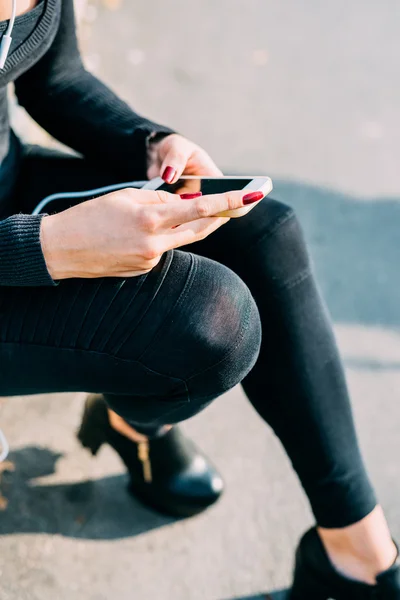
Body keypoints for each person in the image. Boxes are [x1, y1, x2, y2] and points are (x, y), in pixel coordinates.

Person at [0, 0, 399, 598]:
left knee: (264, 235)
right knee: (210, 324)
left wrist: (153, 144)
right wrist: (47, 247)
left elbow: (56, 79)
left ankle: (359, 561)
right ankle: (136, 420)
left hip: (12, 186)